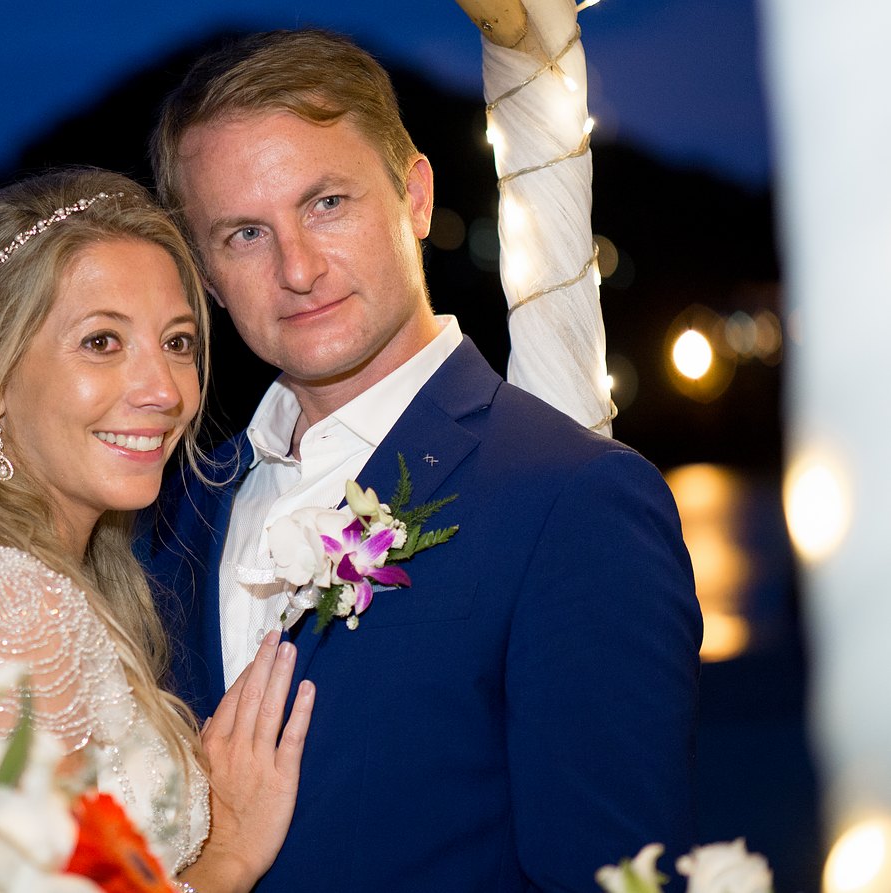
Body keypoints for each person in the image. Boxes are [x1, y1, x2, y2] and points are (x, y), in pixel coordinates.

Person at [142, 29, 703, 891]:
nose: (298, 268)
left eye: (327, 203)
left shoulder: (572, 499)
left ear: (414, 196)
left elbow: (615, 874)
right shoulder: (169, 509)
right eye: (246, 233)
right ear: (207, 275)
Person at [0, 167, 315, 892]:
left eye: (178, 342)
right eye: (102, 341)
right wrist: (228, 854)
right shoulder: (4, 603)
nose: (164, 391)